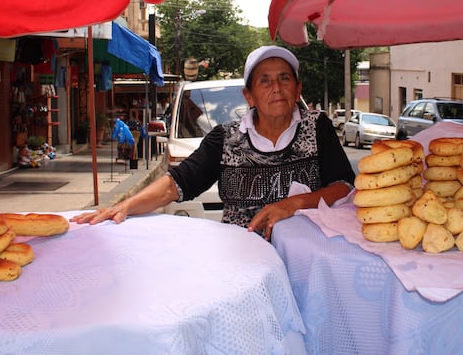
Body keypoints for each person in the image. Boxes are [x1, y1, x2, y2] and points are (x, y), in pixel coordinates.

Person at [72, 46, 355, 240]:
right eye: (264, 81)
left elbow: (344, 187)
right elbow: (177, 183)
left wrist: (295, 204)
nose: (277, 88)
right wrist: (125, 206)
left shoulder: (317, 127)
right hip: (244, 261)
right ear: (249, 96)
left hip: (308, 258)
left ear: (297, 90)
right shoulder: (226, 138)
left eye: (284, 78)